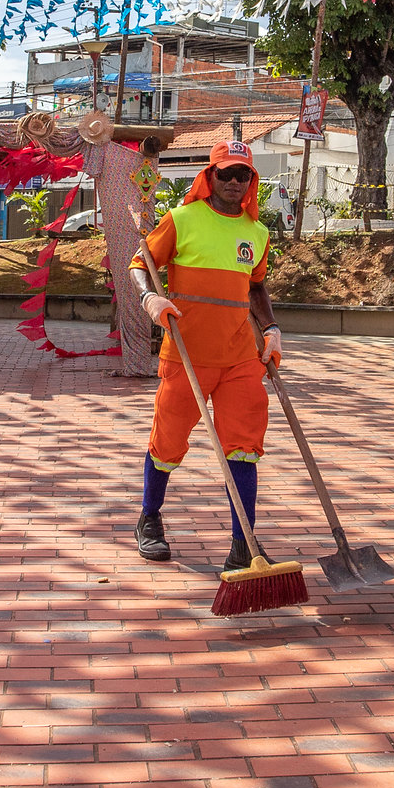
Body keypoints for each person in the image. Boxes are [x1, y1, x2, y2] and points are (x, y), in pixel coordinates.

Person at [127, 140, 282, 569]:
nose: (234, 182)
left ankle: (243, 544)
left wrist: (270, 329)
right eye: (226, 173)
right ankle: (149, 518)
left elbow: (255, 287)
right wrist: (150, 302)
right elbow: (141, 265)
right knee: (168, 443)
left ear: (252, 181)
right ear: (209, 176)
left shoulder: (257, 232)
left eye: (243, 175)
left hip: (239, 360)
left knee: (244, 448)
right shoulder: (181, 219)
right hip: (186, 356)